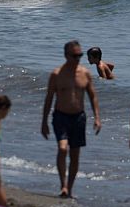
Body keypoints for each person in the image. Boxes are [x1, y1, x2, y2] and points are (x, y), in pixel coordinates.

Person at [41, 39, 101, 198]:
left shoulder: (85, 73)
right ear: (66, 55)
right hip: (60, 116)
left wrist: (97, 118)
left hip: (78, 118)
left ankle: (70, 188)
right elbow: (48, 99)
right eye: (75, 55)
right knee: (62, 148)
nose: (78, 58)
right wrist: (44, 122)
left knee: (75, 155)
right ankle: (63, 185)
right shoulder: (56, 74)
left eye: (80, 55)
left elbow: (93, 96)